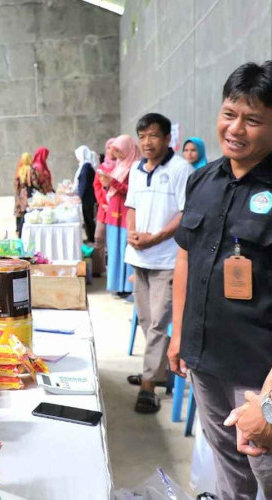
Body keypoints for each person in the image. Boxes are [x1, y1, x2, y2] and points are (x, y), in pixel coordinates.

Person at [168, 61, 272, 499]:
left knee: (266, 471)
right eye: (229, 114)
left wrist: (268, 403)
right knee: (231, 472)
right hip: (205, 363)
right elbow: (186, 260)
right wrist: (178, 336)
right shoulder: (202, 181)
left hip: (259, 372)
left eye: (253, 120)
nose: (236, 129)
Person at [124, 113, 192, 414]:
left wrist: (157, 237)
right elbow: (131, 206)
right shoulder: (136, 170)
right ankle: (158, 371)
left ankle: (149, 385)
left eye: (153, 136)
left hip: (167, 259)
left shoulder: (180, 169)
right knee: (144, 319)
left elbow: (184, 213)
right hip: (139, 257)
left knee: (157, 323)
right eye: (142, 136)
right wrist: (133, 233)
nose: (147, 142)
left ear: (167, 139)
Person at [104, 134, 139, 295]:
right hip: (113, 213)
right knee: (114, 249)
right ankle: (117, 285)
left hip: (126, 214)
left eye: (119, 151)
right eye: (115, 152)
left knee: (126, 250)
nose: (117, 155)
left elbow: (131, 192)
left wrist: (111, 182)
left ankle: (128, 287)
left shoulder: (135, 167)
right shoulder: (120, 165)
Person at [92, 138, 117, 277]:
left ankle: (114, 271)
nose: (111, 151)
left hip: (118, 210)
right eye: (108, 148)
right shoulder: (102, 168)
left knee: (114, 241)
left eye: (114, 148)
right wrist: (103, 203)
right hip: (104, 209)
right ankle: (98, 268)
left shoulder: (122, 167)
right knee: (99, 237)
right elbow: (96, 186)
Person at [74, 145, 96, 242]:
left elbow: (84, 183)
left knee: (89, 217)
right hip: (86, 196)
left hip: (87, 197)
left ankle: (91, 237)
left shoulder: (86, 167)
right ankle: (90, 236)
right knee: (87, 217)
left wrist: (80, 196)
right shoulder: (84, 166)